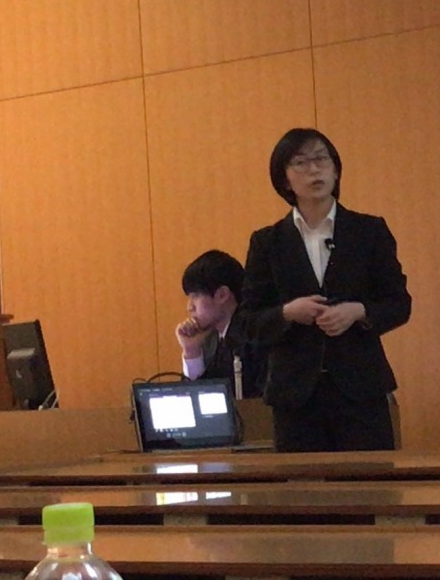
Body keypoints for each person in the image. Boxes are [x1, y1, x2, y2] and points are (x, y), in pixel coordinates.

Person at [232, 128, 412, 452]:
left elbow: (399, 303)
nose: (314, 169)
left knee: (371, 481)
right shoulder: (267, 242)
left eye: (321, 159)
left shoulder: (368, 231)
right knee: (303, 483)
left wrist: (359, 311)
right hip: (295, 397)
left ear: (336, 170)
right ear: (285, 180)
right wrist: (288, 313)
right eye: (301, 162)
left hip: (360, 390)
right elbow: (248, 321)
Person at [175, 249, 265, 398]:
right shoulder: (211, 338)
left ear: (222, 295)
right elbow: (199, 398)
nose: (189, 307)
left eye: (196, 296)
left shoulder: (254, 336)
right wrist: (191, 352)